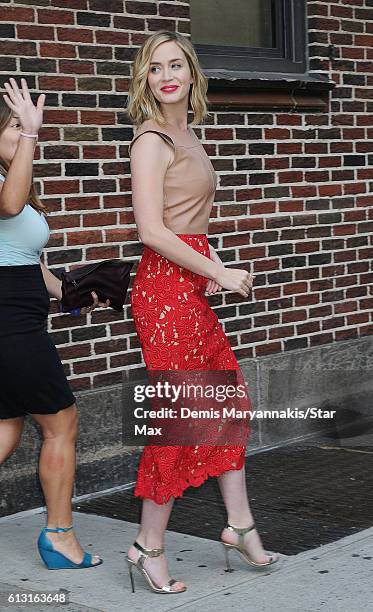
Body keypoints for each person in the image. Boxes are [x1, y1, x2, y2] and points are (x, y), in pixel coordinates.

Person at [126, 31, 280, 594]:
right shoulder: (150, 141)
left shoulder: (187, 133)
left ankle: (239, 526)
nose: (166, 75)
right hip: (164, 295)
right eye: (154, 68)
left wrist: (210, 262)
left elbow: (189, 220)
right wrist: (217, 272)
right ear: (145, 81)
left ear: (191, 73)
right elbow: (151, 230)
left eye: (175, 65)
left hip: (190, 283)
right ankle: (148, 546)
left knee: (227, 404)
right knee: (183, 418)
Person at [0, 78, 109, 570]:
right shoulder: (7, 186)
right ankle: (60, 538)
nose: (27, 133)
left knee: (5, 430)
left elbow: (28, 261)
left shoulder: (15, 178)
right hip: (9, 324)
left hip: (19, 314)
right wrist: (31, 139)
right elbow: (9, 206)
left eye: (28, 125)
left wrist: (71, 289)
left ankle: (60, 537)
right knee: (61, 422)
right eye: (15, 126)